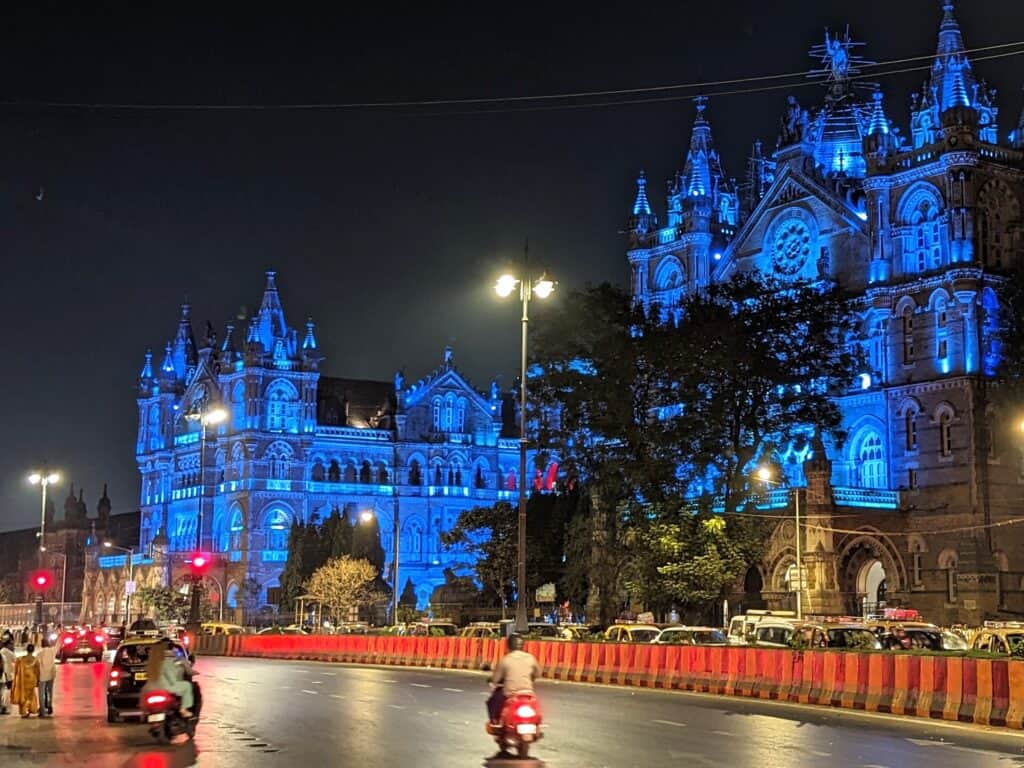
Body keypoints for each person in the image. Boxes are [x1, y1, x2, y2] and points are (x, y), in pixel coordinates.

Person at [486, 634, 541, 725]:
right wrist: (531, 678)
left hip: (510, 694)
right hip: (528, 693)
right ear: (523, 645)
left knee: (492, 701)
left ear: (508, 646)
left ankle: (494, 722)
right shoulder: (531, 658)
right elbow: (538, 674)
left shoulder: (505, 660)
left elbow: (495, 679)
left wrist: (490, 679)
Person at [141, 640, 194, 724]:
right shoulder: (177, 655)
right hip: (167, 686)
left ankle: (144, 713)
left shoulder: (154, 656)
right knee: (187, 686)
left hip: (151, 687)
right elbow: (186, 668)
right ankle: (183, 709)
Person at [12, 643, 41, 717]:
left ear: (27, 650)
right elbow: (37, 671)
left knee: (23, 695)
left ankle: (24, 712)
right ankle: (30, 709)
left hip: (23, 680)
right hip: (31, 679)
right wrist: (38, 680)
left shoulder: (21, 659)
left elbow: (16, 671)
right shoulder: (35, 660)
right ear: (33, 650)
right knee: (30, 695)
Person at [37, 636, 56, 716]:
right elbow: (58, 643)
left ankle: (42, 710)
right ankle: (49, 705)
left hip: (42, 675)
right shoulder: (52, 651)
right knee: (49, 691)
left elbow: (37, 664)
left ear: (42, 644)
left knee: (41, 693)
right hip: (51, 674)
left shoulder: (40, 654)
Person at [1, 638, 16, 715]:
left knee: (3, 691)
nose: (12, 645)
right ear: (8, 645)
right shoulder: (9, 653)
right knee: (6, 691)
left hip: (3, 674)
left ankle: (3, 706)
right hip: (7, 675)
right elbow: (15, 660)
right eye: (11, 644)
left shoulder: (1, 651)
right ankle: (4, 707)